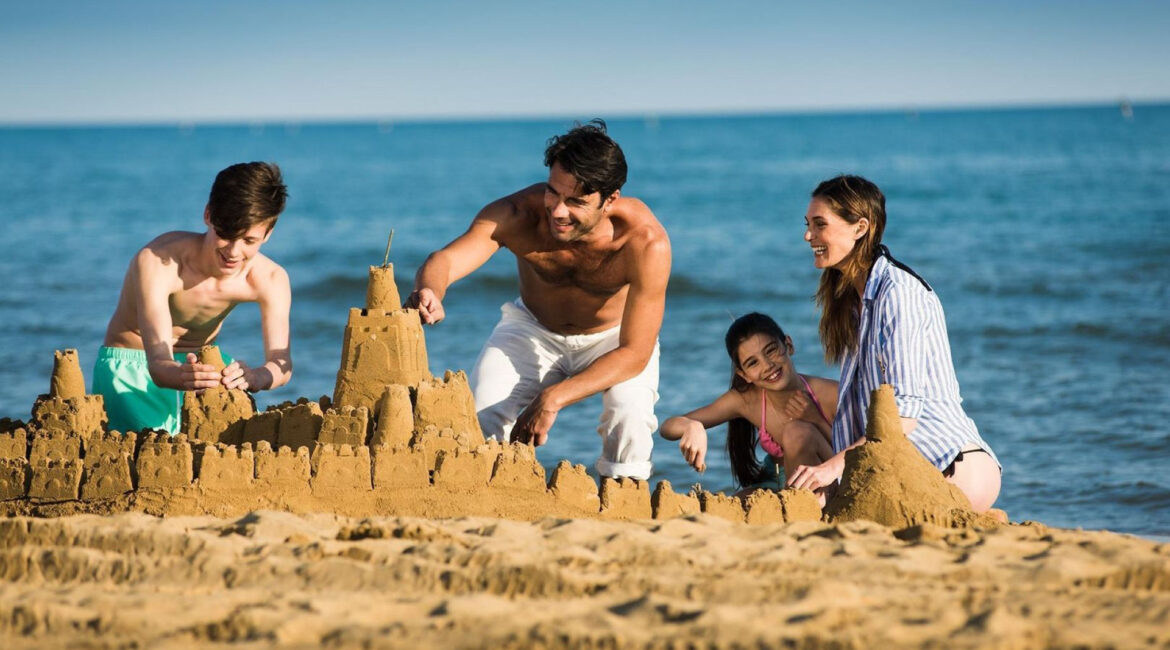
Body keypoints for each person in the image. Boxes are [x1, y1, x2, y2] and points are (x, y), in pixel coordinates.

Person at [407, 120, 671, 480]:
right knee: (482, 412)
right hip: (531, 328)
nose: (558, 211)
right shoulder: (519, 215)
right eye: (553, 193)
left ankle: (623, 503)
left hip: (612, 339)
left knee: (630, 416)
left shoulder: (644, 242)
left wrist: (553, 398)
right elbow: (447, 259)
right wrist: (430, 289)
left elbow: (636, 352)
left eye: (576, 201)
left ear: (610, 200)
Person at [789, 174, 1001, 511]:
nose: (808, 235)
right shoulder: (854, 300)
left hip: (951, 466)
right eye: (807, 224)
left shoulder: (897, 293)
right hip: (894, 469)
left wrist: (831, 467)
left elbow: (902, 415)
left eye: (819, 224)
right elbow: (861, 402)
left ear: (860, 228)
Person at [92, 162, 293, 434]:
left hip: (202, 368)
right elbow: (159, 365)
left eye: (248, 240)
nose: (233, 252)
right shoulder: (159, 261)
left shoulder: (270, 279)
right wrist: (186, 375)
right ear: (208, 215)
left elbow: (282, 365)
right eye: (226, 234)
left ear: (268, 234)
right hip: (133, 369)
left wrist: (255, 376)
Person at [660, 313, 837, 501]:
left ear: (789, 345)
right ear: (743, 374)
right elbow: (667, 428)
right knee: (725, 509)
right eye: (753, 363)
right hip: (773, 481)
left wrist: (815, 419)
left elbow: (856, 451)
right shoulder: (747, 400)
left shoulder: (829, 393)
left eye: (771, 351)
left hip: (823, 480)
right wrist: (692, 426)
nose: (768, 365)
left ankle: (799, 508)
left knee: (797, 432)